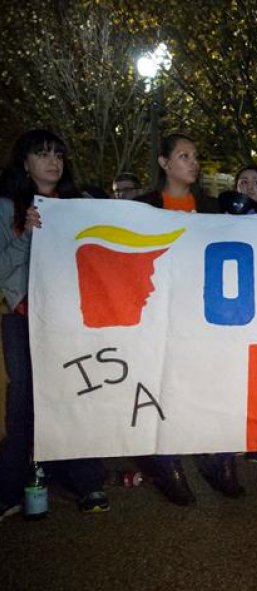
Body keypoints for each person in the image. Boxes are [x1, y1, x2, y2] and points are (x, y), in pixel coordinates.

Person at [0, 129, 110, 519]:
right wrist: (26, 233)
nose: (53, 162)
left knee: (77, 394)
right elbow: (4, 266)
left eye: (58, 155)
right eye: (43, 154)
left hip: (70, 320)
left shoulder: (75, 206)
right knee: (23, 402)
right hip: (23, 318)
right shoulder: (7, 207)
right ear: (25, 164)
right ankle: (11, 488)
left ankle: (87, 480)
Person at [136, 133, 239, 506]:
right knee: (165, 385)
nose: (192, 163)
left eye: (195, 156)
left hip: (204, 315)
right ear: (164, 163)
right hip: (159, 315)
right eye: (183, 156)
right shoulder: (143, 207)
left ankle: (219, 459)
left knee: (214, 385)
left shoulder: (212, 208)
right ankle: (167, 462)